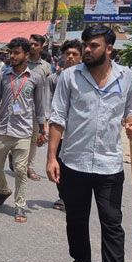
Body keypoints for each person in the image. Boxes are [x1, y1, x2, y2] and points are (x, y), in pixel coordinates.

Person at [47, 25, 132, 262]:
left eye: (94, 45)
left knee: (112, 224)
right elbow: (58, 117)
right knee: (76, 219)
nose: (87, 50)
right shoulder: (69, 76)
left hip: (109, 164)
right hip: (73, 161)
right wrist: (52, 157)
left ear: (109, 49)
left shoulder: (126, 77)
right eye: (86, 44)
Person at [0, 38, 47, 223]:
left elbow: (40, 105)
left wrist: (42, 130)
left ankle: (20, 205)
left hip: (24, 132)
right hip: (3, 129)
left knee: (20, 169)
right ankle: (4, 190)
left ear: (26, 55)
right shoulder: (3, 76)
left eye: (16, 52)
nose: (12, 56)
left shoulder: (35, 79)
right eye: (11, 52)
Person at [47, 39, 82, 211]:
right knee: (58, 161)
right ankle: (63, 195)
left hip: (77, 130)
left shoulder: (85, 79)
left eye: (74, 54)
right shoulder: (54, 79)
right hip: (59, 128)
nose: (70, 57)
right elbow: (48, 102)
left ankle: (75, 196)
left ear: (81, 57)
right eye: (67, 54)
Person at [25, 34, 51, 181]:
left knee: (34, 139)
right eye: (31, 44)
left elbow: (48, 91)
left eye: (36, 44)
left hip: (37, 109)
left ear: (42, 47)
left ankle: (29, 167)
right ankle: (15, 157)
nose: (33, 46)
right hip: (20, 108)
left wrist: (46, 116)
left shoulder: (46, 67)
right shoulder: (21, 62)